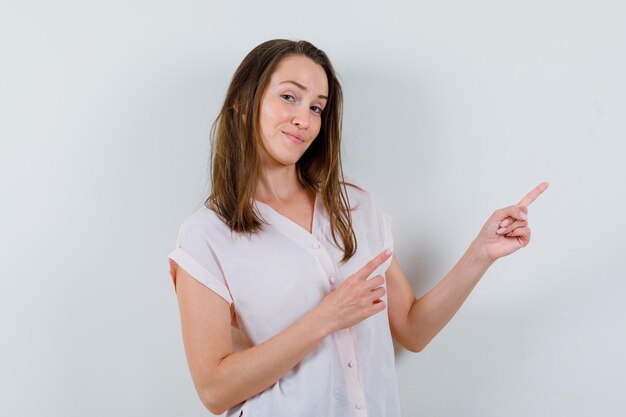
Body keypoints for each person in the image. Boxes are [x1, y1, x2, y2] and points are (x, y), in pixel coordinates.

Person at [167, 39, 549, 417]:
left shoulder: (356, 207)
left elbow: (413, 330)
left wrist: (481, 253)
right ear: (243, 103)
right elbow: (214, 391)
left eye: (317, 107)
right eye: (289, 97)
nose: (305, 118)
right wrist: (325, 318)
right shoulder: (206, 234)